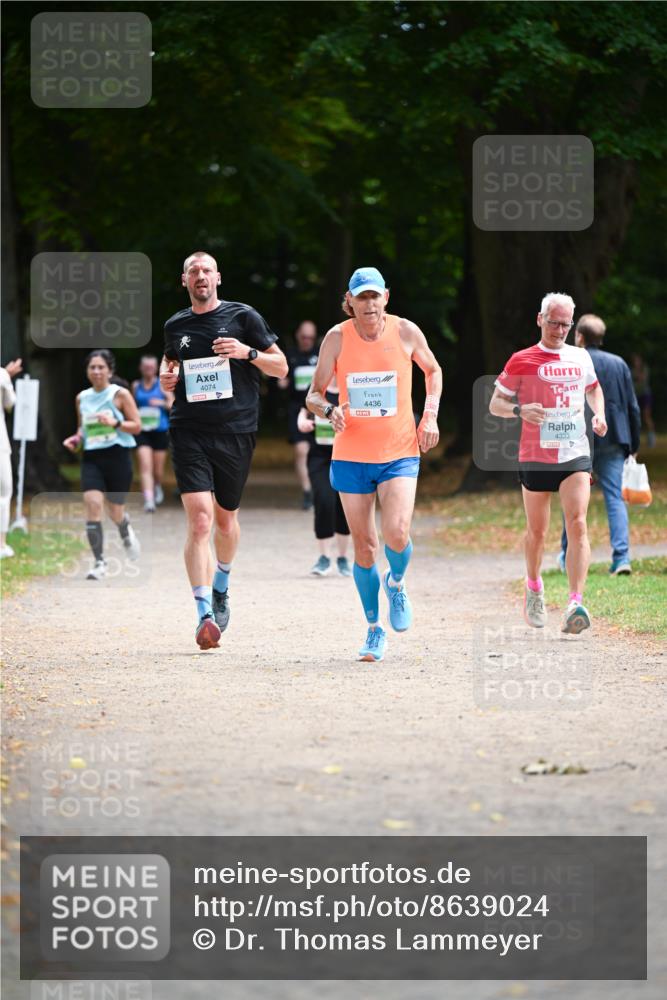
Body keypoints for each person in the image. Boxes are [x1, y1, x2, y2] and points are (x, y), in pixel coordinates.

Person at [307, 266, 441, 662]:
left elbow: (432, 371)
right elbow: (313, 395)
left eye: (373, 296)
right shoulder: (336, 337)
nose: (368, 304)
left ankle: (396, 583)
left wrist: (429, 414)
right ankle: (373, 629)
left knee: (396, 534)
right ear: (349, 301)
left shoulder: (405, 332)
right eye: (360, 297)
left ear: (386, 297)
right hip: (350, 455)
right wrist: (330, 411)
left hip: (398, 451)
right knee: (365, 549)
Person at [160, 250, 288, 651]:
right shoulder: (175, 325)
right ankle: (203, 615)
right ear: (184, 281)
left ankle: (221, 584)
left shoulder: (243, 317)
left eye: (206, 270)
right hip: (189, 430)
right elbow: (171, 364)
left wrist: (247, 353)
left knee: (225, 521)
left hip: (235, 430)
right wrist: (169, 376)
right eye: (193, 271)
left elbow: (281, 367)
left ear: (218, 277)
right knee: (199, 522)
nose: (200, 276)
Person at [489, 292, 608, 635]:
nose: (559, 330)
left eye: (566, 324)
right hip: (535, 455)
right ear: (540, 319)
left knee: (578, 523)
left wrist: (598, 414)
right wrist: (519, 410)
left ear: (573, 324)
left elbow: (594, 389)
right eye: (553, 322)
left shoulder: (581, 356)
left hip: (575, 452)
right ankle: (534, 586)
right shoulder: (522, 359)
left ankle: (575, 602)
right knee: (538, 532)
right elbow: (496, 403)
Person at [557, 315, 641, 575]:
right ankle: (621, 557)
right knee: (615, 498)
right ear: (600, 338)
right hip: (614, 437)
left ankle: (566, 555)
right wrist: (633, 443)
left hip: (578, 437)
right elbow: (632, 407)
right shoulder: (619, 364)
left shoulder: (570, 361)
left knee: (571, 498)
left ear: (579, 336)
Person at [63, 350, 142, 580]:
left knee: (115, 511)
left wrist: (115, 422)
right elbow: (82, 429)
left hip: (118, 456)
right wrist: (76, 439)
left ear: (109, 370)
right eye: (92, 368)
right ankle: (99, 562)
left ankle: (124, 527)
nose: (96, 371)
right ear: (87, 371)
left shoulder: (120, 394)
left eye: (100, 367)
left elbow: (136, 426)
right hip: (92, 458)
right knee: (93, 504)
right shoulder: (82, 398)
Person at [296, 376, 352, 577]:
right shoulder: (317, 388)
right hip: (319, 456)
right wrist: (303, 422)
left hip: (347, 455)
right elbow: (303, 412)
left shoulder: (351, 388)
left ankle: (343, 557)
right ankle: (324, 557)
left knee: (344, 505)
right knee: (323, 500)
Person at [278, 320, 319, 509]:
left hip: (320, 411)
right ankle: (307, 492)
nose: (307, 341)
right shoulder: (290, 356)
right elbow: (280, 377)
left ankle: (324, 490)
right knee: (301, 451)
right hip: (297, 409)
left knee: (321, 452)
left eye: (310, 337)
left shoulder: (321, 355)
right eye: (304, 337)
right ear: (298, 336)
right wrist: (281, 384)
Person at [132, 355, 174, 512]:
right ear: (141, 368)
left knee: (157, 470)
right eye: (146, 367)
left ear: (156, 368)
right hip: (142, 431)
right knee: (145, 465)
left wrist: (161, 403)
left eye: (151, 367)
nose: (148, 370)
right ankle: (149, 500)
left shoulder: (162, 385)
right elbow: (132, 406)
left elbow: (173, 404)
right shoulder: (136, 386)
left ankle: (157, 485)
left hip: (160, 431)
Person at [0, 358, 22, 559]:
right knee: (3, 493)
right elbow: (9, 404)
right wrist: (6, 375)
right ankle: (1, 544)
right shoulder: (2, 376)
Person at [631, 353, 656, 448]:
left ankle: (651, 437)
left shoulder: (644, 368)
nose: (636, 362)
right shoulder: (631, 370)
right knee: (636, 416)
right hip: (636, 395)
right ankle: (636, 439)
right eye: (634, 360)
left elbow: (642, 379)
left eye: (637, 360)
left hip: (645, 395)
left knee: (646, 416)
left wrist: (637, 377)